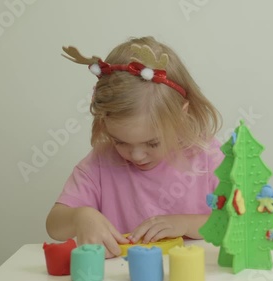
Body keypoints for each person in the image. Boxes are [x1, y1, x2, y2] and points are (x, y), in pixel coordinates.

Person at [46, 36, 223, 258]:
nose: (137, 155)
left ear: (181, 114)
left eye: (152, 142)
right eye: (120, 141)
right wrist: (80, 217)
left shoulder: (207, 156)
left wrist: (187, 224)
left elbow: (240, 221)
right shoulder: (101, 162)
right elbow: (54, 225)